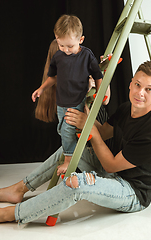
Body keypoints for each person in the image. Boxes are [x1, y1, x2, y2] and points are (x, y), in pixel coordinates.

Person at [0, 61, 151, 226]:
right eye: (137, 85)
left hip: (132, 191)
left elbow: (110, 164)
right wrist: (86, 115)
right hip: (113, 172)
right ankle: (19, 189)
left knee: (76, 185)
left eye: (149, 89)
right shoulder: (127, 108)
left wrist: (90, 129)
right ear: (130, 83)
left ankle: (10, 214)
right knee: (70, 150)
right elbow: (104, 132)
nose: (140, 93)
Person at [31, 15, 104, 177]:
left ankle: (69, 160)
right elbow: (53, 77)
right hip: (61, 102)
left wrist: (99, 92)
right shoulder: (58, 56)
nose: (66, 50)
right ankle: (75, 150)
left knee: (67, 130)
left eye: (70, 46)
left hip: (76, 100)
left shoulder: (86, 56)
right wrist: (41, 89)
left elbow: (98, 75)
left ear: (81, 39)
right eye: (61, 45)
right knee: (61, 129)